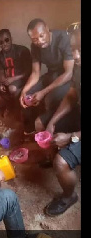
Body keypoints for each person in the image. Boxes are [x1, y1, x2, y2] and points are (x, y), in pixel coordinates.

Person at [44, 23, 81, 216]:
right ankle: (55, 160)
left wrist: (71, 137)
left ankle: (69, 196)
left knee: (61, 162)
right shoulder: (79, 67)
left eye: (80, 50)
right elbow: (71, 96)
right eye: (73, 49)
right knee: (45, 125)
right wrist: (52, 122)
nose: (75, 56)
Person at [19, 18, 75, 133]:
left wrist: (43, 92)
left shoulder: (63, 38)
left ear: (47, 29)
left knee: (50, 98)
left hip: (67, 76)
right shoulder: (34, 47)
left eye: (42, 36)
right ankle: (31, 130)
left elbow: (69, 73)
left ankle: (51, 128)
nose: (39, 41)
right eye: (34, 39)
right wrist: (24, 91)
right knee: (27, 97)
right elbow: (35, 73)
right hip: (52, 74)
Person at [0, 29, 32, 117]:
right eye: (1, 42)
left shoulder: (22, 50)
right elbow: (1, 72)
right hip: (7, 81)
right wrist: (1, 83)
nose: (4, 44)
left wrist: (13, 78)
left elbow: (29, 71)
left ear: (11, 38)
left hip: (20, 79)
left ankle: (16, 108)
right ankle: (8, 105)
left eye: (6, 40)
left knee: (12, 88)